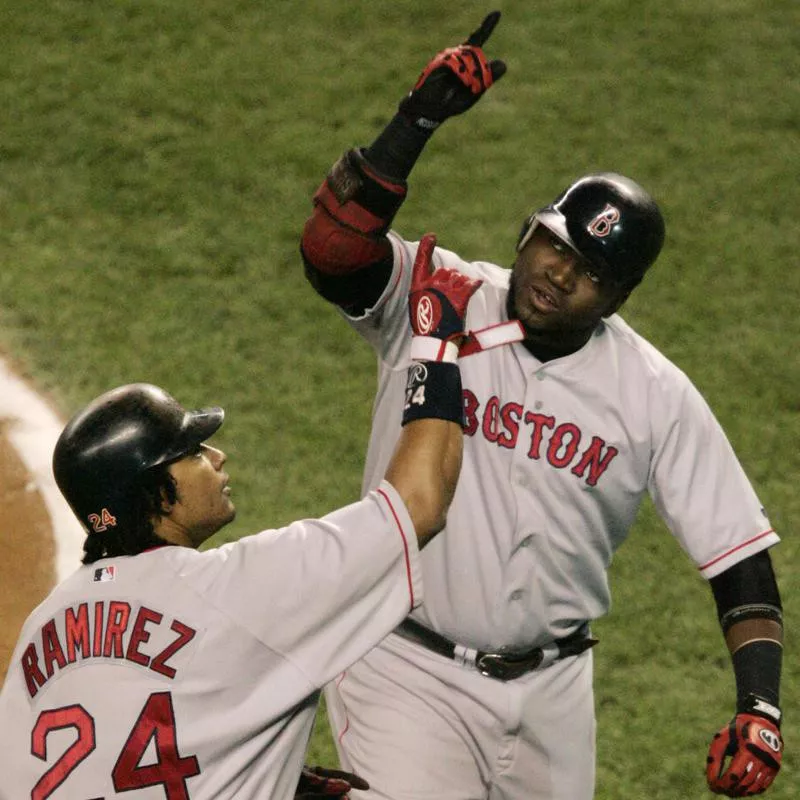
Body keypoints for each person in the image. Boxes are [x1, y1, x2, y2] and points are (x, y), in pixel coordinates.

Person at [299, 10, 785, 800]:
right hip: (404, 666)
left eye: (586, 271)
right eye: (553, 244)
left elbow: (739, 560)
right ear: (528, 232)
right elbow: (334, 251)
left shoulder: (654, 394)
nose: (557, 273)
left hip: (556, 695)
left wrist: (758, 704)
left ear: (618, 296)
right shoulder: (443, 297)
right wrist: (411, 125)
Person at [0, 237, 483, 800]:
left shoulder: (45, 626)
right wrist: (436, 350)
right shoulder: (248, 589)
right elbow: (418, 504)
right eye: (193, 452)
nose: (216, 456)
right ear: (159, 492)